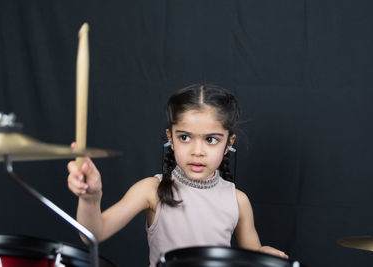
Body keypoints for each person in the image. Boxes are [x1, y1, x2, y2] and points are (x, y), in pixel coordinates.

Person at [67, 84, 288, 266]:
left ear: (229, 142)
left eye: (211, 139)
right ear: (170, 137)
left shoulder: (238, 201)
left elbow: (252, 255)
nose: (197, 151)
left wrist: (264, 255)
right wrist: (90, 198)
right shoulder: (150, 190)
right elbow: (92, 234)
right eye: (185, 138)